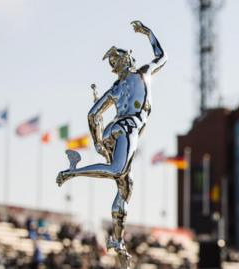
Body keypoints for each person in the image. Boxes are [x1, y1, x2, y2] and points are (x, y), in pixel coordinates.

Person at [56, 20, 166, 266]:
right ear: (129, 60)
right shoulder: (143, 74)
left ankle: (118, 240)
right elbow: (162, 56)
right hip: (128, 128)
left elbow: (93, 115)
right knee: (117, 171)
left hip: (111, 132)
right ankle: (73, 172)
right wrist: (148, 33)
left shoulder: (115, 88)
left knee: (125, 187)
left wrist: (98, 141)